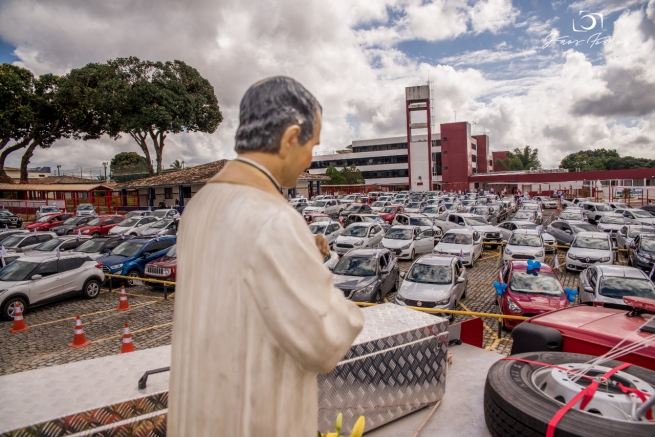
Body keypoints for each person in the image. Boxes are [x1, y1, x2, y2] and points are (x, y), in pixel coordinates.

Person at [168, 77, 364, 437]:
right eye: (312, 146)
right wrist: (341, 301)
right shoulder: (272, 218)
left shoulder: (199, 205)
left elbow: (243, 284)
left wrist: (302, 253)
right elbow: (324, 341)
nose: (310, 160)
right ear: (290, 138)